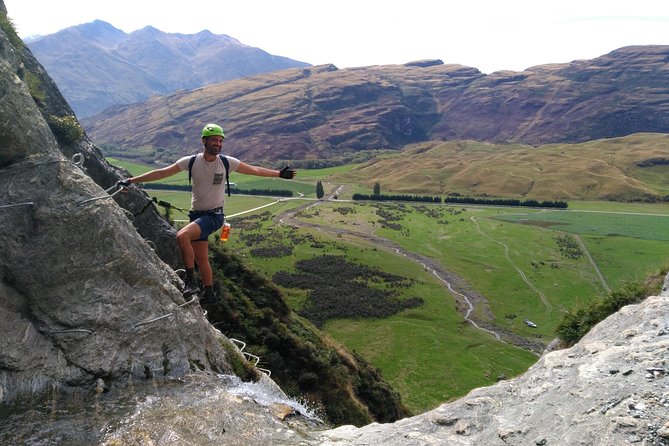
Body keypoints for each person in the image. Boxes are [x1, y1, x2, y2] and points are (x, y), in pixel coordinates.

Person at [119, 123, 296, 302]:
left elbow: (255, 170)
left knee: (182, 237)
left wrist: (279, 174)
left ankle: (190, 282)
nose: (218, 144)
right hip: (196, 216)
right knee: (202, 259)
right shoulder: (191, 161)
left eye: (220, 141)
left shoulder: (227, 162)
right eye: (214, 140)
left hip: (214, 216)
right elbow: (160, 173)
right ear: (204, 141)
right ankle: (210, 294)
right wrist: (131, 180)